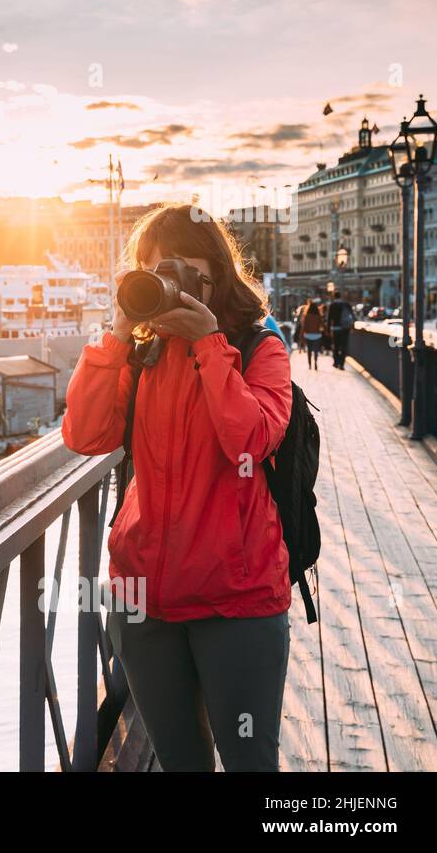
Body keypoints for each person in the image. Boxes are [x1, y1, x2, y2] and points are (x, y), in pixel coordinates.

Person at [62, 204, 293, 772]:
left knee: (249, 761)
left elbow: (251, 439)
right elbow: (85, 434)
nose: (168, 285)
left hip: (236, 599)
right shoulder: (139, 355)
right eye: (154, 272)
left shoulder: (261, 351)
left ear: (216, 277)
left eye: (183, 273)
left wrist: (209, 346)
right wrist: (117, 332)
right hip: (143, 601)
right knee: (179, 761)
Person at [327, 290, 353, 370]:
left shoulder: (332, 305)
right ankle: (341, 364)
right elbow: (351, 315)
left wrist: (328, 329)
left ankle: (336, 362)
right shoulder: (346, 305)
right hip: (345, 328)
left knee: (336, 346)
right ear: (340, 297)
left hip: (335, 328)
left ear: (334, 297)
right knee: (343, 346)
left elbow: (329, 318)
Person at [300, 298, 325, 370]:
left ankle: (310, 365)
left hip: (308, 335)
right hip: (317, 335)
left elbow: (304, 327)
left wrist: (301, 335)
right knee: (316, 350)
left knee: (309, 350)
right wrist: (326, 331)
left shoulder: (306, 316)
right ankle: (316, 362)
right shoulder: (318, 316)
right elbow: (322, 325)